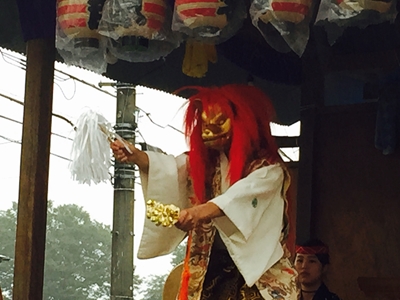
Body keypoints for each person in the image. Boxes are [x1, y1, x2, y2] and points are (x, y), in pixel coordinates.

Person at [111, 84, 297, 300]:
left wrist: (196, 213)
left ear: (241, 123)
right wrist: (136, 156)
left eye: (219, 122)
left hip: (259, 274)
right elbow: (172, 170)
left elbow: (239, 198)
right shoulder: (207, 165)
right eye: (205, 124)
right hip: (211, 268)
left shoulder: (268, 170)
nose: (207, 131)